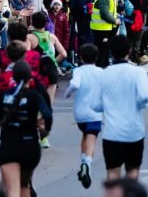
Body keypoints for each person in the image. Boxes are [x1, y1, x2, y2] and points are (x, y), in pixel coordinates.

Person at [96, 35, 148, 182]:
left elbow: (96, 104)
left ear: (111, 52)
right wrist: (137, 106)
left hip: (112, 133)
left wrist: (108, 106)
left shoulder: (103, 74)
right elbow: (144, 97)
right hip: (134, 132)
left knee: (112, 172)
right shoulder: (138, 72)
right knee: (133, 171)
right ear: (129, 50)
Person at [0, 59, 52, 197]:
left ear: (13, 77)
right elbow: (47, 114)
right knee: (24, 185)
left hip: (8, 145)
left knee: (12, 190)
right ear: (30, 77)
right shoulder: (34, 96)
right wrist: (45, 130)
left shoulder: (6, 95)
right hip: (29, 145)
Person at [66, 43, 102, 189]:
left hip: (80, 113)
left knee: (85, 135)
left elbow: (74, 85)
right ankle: (87, 163)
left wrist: (67, 93)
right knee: (91, 138)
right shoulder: (101, 72)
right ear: (96, 57)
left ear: (81, 57)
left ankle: (83, 161)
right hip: (95, 112)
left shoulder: (79, 71)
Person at [90, 0, 122, 68]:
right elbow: (104, 13)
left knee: (105, 52)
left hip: (107, 28)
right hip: (101, 30)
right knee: (102, 54)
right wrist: (115, 21)